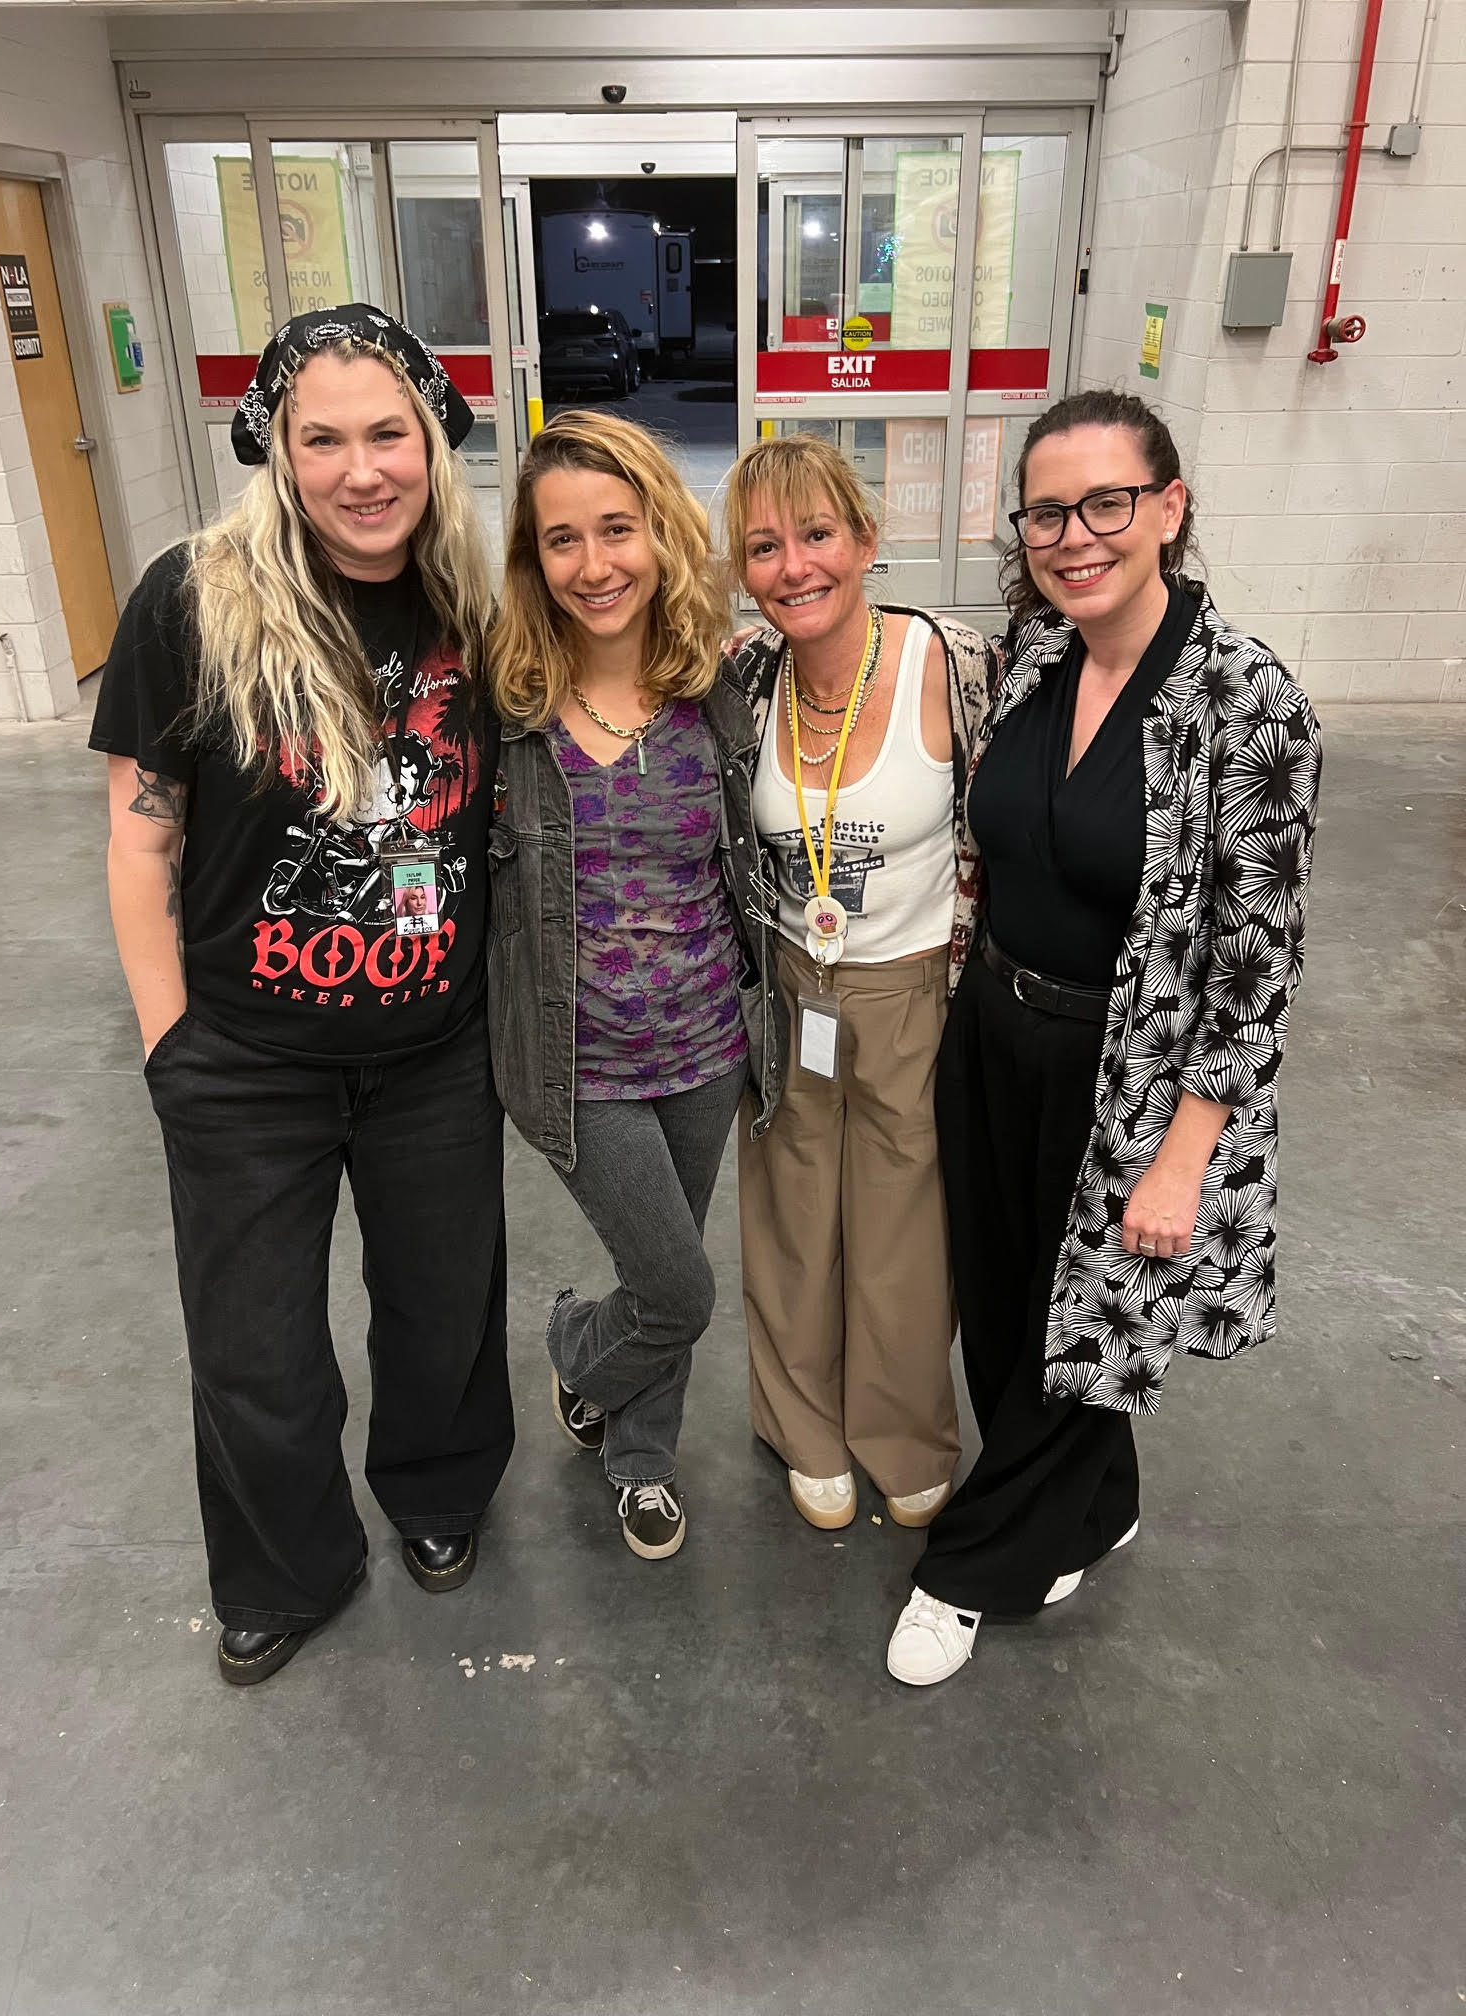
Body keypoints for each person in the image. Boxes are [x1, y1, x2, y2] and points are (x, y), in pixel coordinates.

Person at [90, 306, 512, 1686]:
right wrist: (169, 1045)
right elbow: (140, 839)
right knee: (254, 1347)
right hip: (244, 1060)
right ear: (274, 447)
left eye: (388, 434)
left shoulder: (477, 599)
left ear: (433, 439)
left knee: (444, 1313)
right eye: (321, 439)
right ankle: (286, 1566)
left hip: (436, 1052)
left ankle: (439, 1491)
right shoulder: (192, 598)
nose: (361, 471)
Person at [886, 388, 1321, 1686]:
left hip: (1125, 1072)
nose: (1074, 536)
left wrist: (1184, 1159)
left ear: (1169, 508)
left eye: (1106, 504)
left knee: (1084, 1324)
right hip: (991, 1032)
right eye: (1046, 513)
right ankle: (1097, 1501)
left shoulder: (1252, 704)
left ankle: (974, 1571)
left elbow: (1256, 967)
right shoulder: (1039, 654)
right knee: (1005, 1306)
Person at [487, 410, 784, 1561]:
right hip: (579, 1063)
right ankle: (577, 1348)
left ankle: (641, 1456)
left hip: (705, 1046)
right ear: (534, 558)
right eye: (562, 539)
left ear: (661, 532)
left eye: (617, 529)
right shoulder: (509, 712)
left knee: (666, 1262)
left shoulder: (720, 691)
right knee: (677, 1289)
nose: (594, 564)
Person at [721, 434, 991, 1535]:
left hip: (915, 987)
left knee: (906, 1224)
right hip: (790, 984)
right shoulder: (744, 678)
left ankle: (904, 1431)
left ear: (866, 539)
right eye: (764, 547)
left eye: (817, 534)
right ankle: (804, 1428)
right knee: (791, 1213)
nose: (794, 567)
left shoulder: (952, 665)